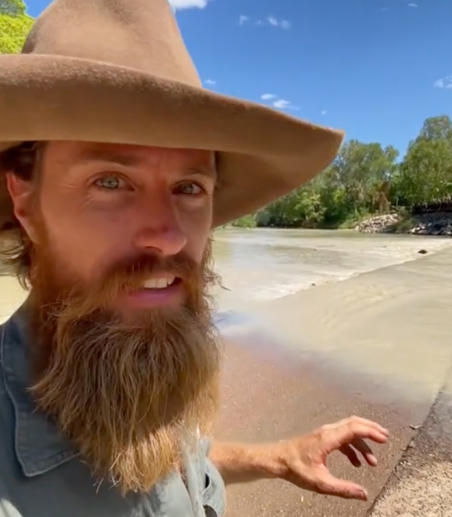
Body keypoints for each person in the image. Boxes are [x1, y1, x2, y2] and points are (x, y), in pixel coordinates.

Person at [0, 1, 389, 515]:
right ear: (25, 199)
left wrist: (278, 457)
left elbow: (168, 463)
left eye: (189, 187)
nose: (167, 237)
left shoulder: (138, 348)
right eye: (111, 181)